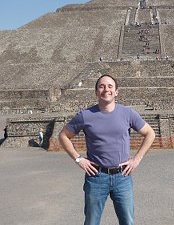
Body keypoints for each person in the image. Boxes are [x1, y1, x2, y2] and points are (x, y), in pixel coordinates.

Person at [59, 74, 155, 225]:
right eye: (102, 86)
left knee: (128, 222)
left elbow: (150, 133)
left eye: (110, 86)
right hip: (96, 176)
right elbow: (63, 136)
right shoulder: (85, 116)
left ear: (116, 91)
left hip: (122, 176)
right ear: (96, 92)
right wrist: (78, 159)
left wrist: (137, 159)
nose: (106, 89)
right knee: (91, 222)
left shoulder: (127, 113)